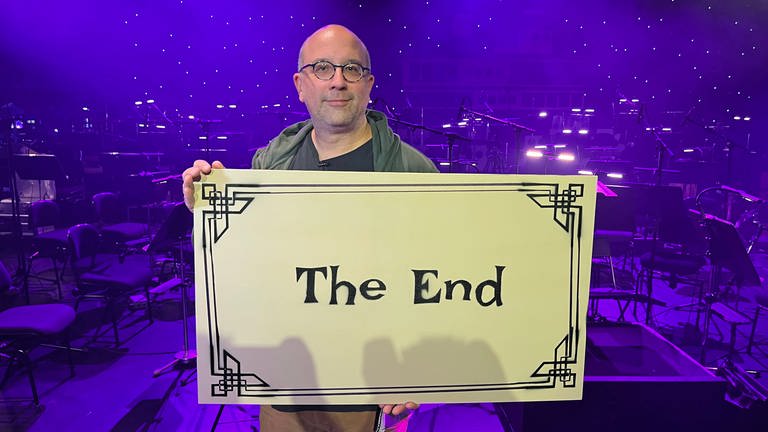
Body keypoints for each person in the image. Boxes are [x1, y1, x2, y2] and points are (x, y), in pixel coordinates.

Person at [183, 24, 437, 431]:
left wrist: (418, 369)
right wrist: (207, 210)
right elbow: (247, 265)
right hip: (284, 385)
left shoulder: (414, 171)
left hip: (373, 391)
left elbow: (438, 283)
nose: (338, 81)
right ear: (301, 85)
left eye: (351, 69)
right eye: (323, 68)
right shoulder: (268, 166)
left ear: (369, 85)